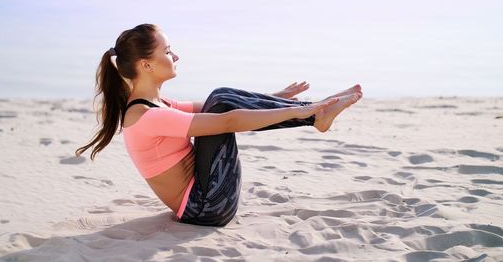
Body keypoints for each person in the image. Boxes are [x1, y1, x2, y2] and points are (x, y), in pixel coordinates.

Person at [75, 23, 363, 227]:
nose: (175, 56)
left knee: (219, 97)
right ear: (146, 64)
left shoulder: (158, 106)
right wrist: (303, 112)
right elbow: (228, 119)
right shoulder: (146, 117)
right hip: (205, 209)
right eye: (168, 51)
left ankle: (317, 113)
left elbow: (224, 109)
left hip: (211, 200)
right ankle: (316, 116)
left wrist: (274, 98)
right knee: (221, 98)